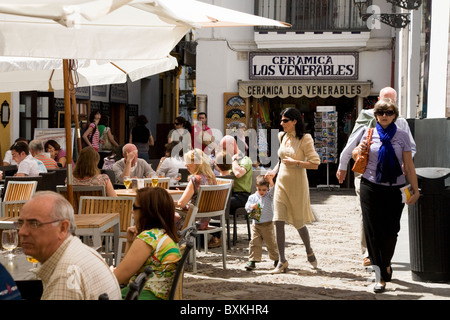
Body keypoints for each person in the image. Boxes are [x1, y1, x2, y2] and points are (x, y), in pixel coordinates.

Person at [336, 87, 416, 267]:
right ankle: (369, 253)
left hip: (393, 178)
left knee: (390, 223)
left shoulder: (401, 124)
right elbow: (352, 145)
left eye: (391, 103)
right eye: (383, 104)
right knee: (368, 216)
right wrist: (343, 165)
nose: (386, 110)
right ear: (377, 100)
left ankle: (384, 259)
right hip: (367, 176)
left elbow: (411, 147)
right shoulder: (366, 119)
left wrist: (406, 163)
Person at [354, 98, 419, 293]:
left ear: (394, 116)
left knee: (391, 231)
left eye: (388, 112)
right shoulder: (368, 132)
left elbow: (408, 165)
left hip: (395, 188)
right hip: (370, 186)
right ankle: (379, 275)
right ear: (375, 115)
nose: (384, 115)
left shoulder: (402, 136)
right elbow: (357, 154)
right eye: (380, 112)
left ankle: (386, 262)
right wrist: (359, 151)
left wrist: (415, 190)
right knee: (372, 232)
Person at [17, 191, 122, 300]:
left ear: (63, 228)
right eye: (21, 223)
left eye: (34, 224)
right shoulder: (79, 251)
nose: (22, 232)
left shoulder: (65, 275)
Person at [265, 107, 320, 273]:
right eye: (281, 120)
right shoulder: (281, 136)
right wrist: (274, 171)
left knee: (298, 222)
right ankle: (282, 261)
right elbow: (281, 161)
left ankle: (309, 250)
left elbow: (315, 163)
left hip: (297, 184)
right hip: (281, 182)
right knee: (278, 220)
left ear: (295, 121)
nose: (282, 124)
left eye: (285, 121)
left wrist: (296, 163)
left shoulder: (305, 138)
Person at [113, 187, 181, 300]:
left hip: (142, 295)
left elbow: (117, 279)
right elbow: (125, 278)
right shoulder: (164, 236)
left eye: (135, 207)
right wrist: (130, 242)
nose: (131, 211)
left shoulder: (149, 238)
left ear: (147, 212)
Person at [174, 149, 219, 246]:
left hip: (191, 221)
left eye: (188, 162)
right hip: (204, 221)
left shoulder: (195, 179)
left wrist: (166, 202)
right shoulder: (212, 178)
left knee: (162, 216)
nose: (186, 165)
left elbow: (181, 204)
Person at [244, 175, 279, 271]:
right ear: (256, 187)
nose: (261, 192)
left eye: (264, 190)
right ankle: (252, 260)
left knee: (271, 243)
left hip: (268, 224)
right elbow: (246, 207)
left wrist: (271, 180)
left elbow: (273, 189)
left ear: (267, 188)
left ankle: (276, 259)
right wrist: (251, 206)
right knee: (254, 243)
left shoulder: (269, 196)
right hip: (256, 224)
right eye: (259, 189)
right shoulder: (252, 197)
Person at [220, 135, 253, 237]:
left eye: (224, 148)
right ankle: (213, 235)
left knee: (219, 204)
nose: (223, 151)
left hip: (242, 196)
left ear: (232, 146)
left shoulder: (245, 160)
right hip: (230, 194)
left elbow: (238, 173)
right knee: (213, 202)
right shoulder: (227, 160)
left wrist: (234, 160)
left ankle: (217, 237)